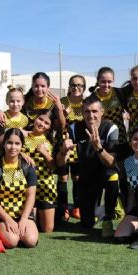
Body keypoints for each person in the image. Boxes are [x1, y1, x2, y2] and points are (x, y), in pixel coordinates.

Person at [57, 96, 119, 238]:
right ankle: (95, 211)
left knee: (112, 176)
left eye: (95, 111)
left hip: (106, 174)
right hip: (87, 176)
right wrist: (63, 151)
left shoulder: (110, 128)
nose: (91, 115)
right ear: (82, 112)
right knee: (86, 224)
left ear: (102, 112)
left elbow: (111, 163)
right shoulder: (74, 128)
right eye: (87, 111)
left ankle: (108, 216)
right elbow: (60, 163)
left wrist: (98, 148)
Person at [0, 128, 39, 248]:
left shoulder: (28, 165)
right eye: (9, 143)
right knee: (12, 242)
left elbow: (31, 195)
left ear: (22, 146)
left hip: (22, 213)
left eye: (17, 143)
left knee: (30, 241)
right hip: (3, 214)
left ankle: (23, 229)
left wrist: (24, 219)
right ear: (3, 144)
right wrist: (8, 219)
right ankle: (2, 228)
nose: (13, 147)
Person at [0, 72, 66, 133]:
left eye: (43, 86)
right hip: (24, 140)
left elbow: (60, 127)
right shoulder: (24, 100)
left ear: (48, 87)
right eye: (36, 86)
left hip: (45, 141)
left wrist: (59, 109)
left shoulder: (53, 103)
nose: (39, 89)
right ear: (32, 86)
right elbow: (11, 112)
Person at [57, 75, 86, 221]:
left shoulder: (87, 103)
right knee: (63, 177)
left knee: (77, 177)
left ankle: (77, 207)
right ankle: (63, 210)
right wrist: (62, 115)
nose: (76, 88)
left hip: (79, 146)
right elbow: (58, 125)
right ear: (69, 87)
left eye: (80, 85)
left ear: (84, 88)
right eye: (73, 85)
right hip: (63, 144)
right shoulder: (62, 102)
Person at [23, 112, 57, 233]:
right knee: (31, 227)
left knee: (48, 229)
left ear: (49, 128)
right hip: (25, 186)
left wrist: (45, 153)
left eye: (46, 123)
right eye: (40, 119)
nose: (42, 123)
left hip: (45, 187)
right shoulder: (22, 137)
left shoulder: (49, 142)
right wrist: (21, 153)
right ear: (35, 119)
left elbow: (53, 166)